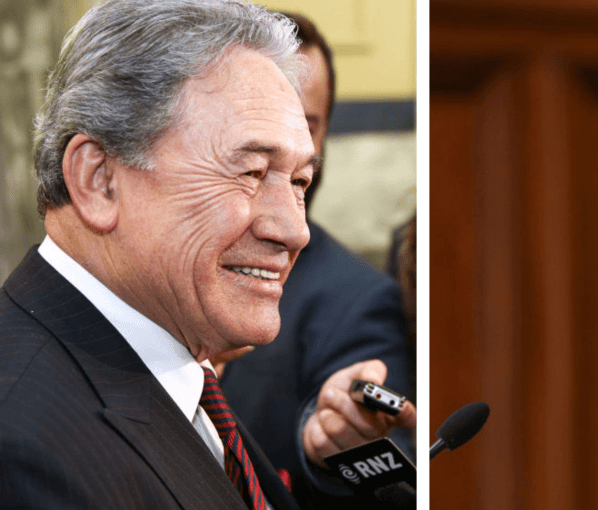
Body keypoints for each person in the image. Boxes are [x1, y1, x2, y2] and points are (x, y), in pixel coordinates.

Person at [0, 1, 410, 508]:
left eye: (300, 180)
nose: (294, 230)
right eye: (251, 173)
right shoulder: (23, 446)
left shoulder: (180, 366)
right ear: (99, 181)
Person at [219, 12, 414, 509]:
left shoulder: (356, 298)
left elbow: (389, 461)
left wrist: (331, 446)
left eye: (306, 128)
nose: (290, 156)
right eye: (262, 132)